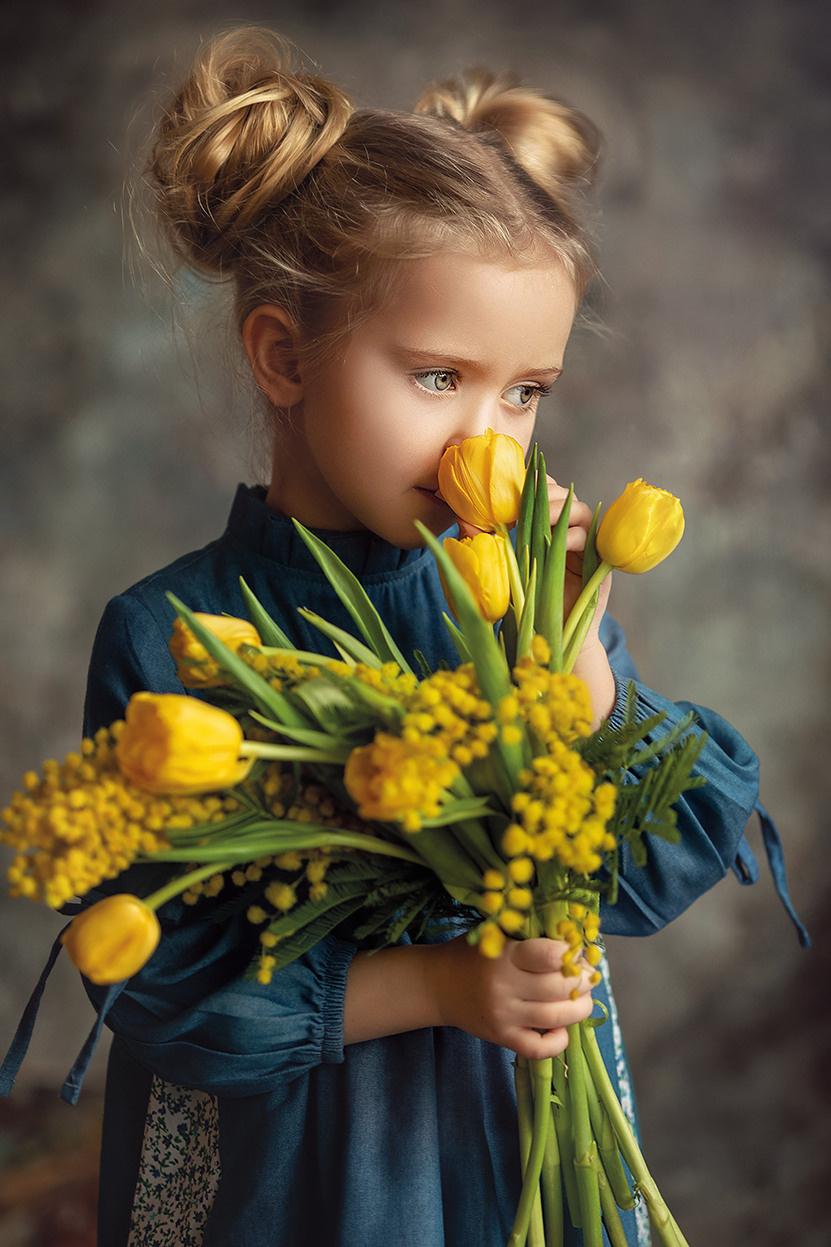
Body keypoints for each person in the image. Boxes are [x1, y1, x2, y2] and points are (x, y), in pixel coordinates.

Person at [0, 25, 806, 1247]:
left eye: (525, 392)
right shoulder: (173, 636)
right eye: (439, 376)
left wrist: (577, 638)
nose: (489, 439)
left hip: (501, 1147)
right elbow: (162, 988)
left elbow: (640, 873)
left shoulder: (523, 609)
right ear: (283, 354)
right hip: (284, 1173)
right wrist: (438, 983)